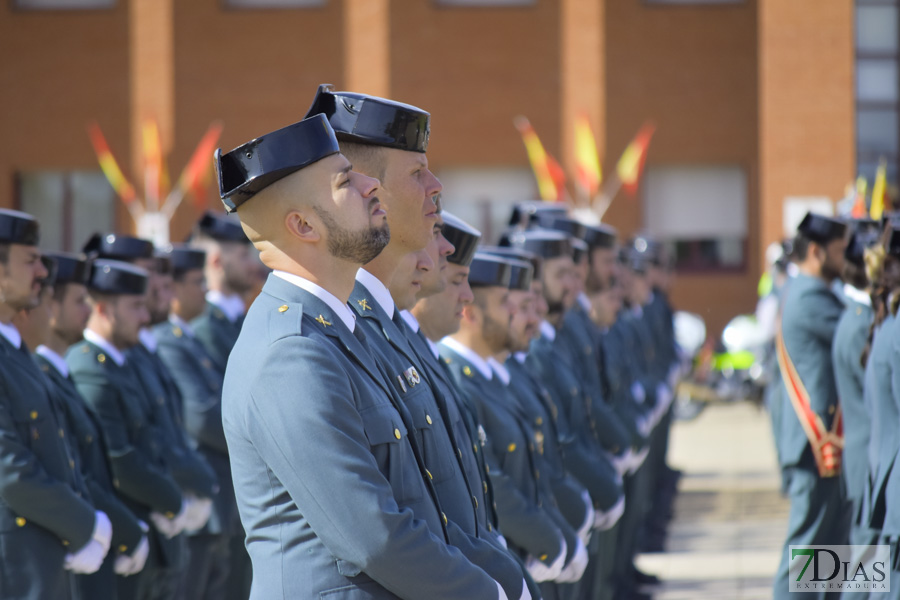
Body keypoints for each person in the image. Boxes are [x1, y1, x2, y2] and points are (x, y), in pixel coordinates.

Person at [218, 112, 511, 599]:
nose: (370, 183)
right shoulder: (291, 353)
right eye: (344, 182)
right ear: (304, 225)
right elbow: (373, 537)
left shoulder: (343, 334)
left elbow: (426, 506)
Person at [309, 84, 530, 600]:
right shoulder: (333, 335)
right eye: (416, 173)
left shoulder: (387, 329)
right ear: (371, 192)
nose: (436, 187)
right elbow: (376, 534)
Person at [21, 252, 150, 599]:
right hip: (67, 549)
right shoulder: (42, 375)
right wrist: (115, 527)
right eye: (80, 301)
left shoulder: (57, 373)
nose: (88, 310)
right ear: (51, 306)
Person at [0, 209, 112, 599]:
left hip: (42, 566)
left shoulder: (15, 351)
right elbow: (10, 469)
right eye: (29, 261)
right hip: (15, 570)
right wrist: (86, 525)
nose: (42, 272)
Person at [440, 252, 570, 585]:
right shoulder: (458, 379)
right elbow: (494, 484)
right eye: (506, 303)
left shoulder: (497, 378)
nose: (517, 312)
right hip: (507, 563)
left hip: (528, 558)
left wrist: (560, 534)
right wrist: (549, 541)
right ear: (470, 313)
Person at [67, 258, 187, 600]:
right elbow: (120, 460)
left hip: (146, 529)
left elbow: (156, 438)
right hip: (124, 533)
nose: (146, 316)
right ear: (104, 309)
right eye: (136, 306)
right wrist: (172, 501)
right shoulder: (90, 367)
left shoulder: (124, 362)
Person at [152, 245, 240, 600]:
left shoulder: (187, 339)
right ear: (172, 289)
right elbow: (202, 415)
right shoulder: (168, 343)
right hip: (200, 497)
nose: (204, 289)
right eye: (195, 282)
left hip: (217, 500)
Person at [772, 212, 850, 599]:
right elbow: (856, 334)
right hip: (815, 444)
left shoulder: (803, 290)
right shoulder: (810, 296)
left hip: (816, 444)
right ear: (817, 252)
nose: (848, 258)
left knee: (829, 551)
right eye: (841, 252)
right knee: (806, 550)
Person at [832, 219, 879, 554]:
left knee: (864, 564)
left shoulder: (858, 315)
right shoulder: (861, 323)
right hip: (868, 461)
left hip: (866, 457)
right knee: (864, 567)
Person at [188, 212, 258, 373]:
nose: (253, 266)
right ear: (217, 262)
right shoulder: (204, 324)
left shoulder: (239, 317)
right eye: (244, 256)